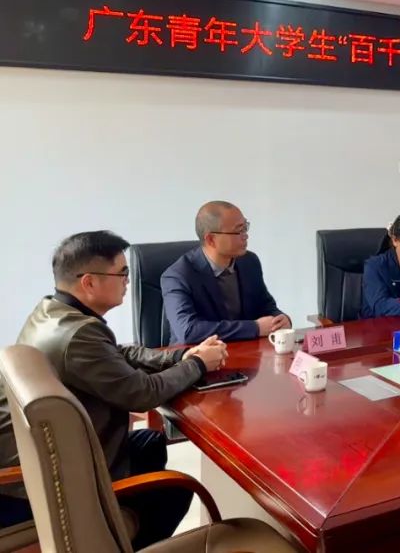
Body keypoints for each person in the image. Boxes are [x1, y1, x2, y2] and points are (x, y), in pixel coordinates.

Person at [0, 231, 228, 547]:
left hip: (45, 454)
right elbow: (143, 394)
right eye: (122, 273)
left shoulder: (52, 312)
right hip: (43, 482)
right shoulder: (79, 336)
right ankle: (115, 538)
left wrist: (179, 357)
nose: (128, 281)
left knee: (149, 443)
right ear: (89, 282)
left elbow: (117, 352)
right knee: (174, 491)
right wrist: (199, 364)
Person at [162, 201, 291, 344]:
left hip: (245, 351)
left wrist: (281, 319)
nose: (245, 236)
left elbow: (265, 305)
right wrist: (255, 328)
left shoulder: (249, 262)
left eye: (245, 228)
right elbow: (188, 331)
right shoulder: (178, 276)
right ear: (211, 239)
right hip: (197, 355)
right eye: (238, 231)